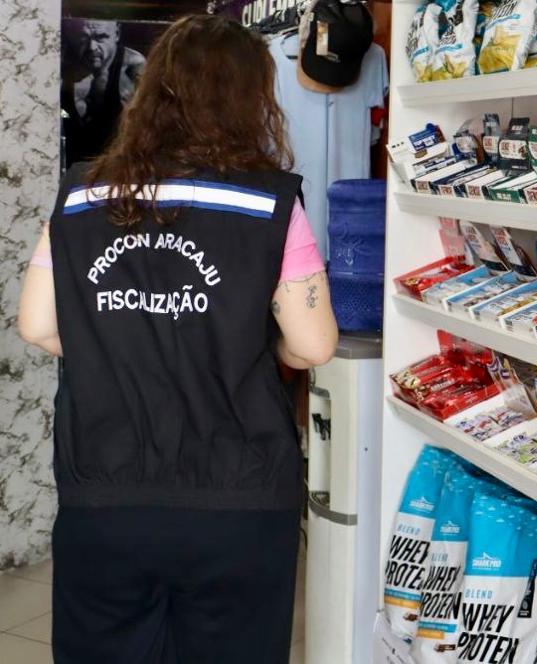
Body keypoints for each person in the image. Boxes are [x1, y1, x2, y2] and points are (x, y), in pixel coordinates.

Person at [18, 15, 338, 664]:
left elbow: (38, 326)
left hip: (105, 492)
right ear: (253, 101)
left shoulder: (80, 196)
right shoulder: (269, 205)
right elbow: (312, 347)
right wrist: (251, 347)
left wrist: (117, 342)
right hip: (239, 496)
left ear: (152, 92)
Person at [61, 18, 147, 165]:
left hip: (114, 170)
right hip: (68, 168)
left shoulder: (132, 67)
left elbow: (149, 131)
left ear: (117, 33)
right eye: (83, 37)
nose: (92, 47)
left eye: (101, 37)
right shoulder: (60, 63)